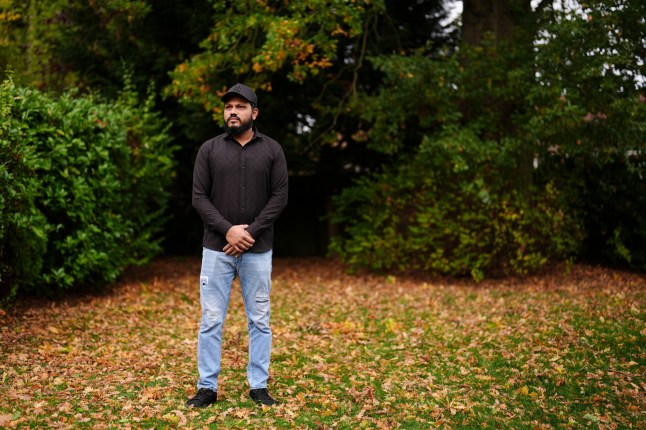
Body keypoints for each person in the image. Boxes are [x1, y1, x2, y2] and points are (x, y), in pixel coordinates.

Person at [186, 83, 288, 408]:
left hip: (258, 251)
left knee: (259, 319)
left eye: (240, 107)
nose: (233, 112)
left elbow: (280, 197)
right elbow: (198, 197)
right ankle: (207, 387)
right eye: (229, 106)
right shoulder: (209, 150)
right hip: (216, 249)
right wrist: (228, 230)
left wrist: (250, 232)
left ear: (254, 113)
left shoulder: (272, 150)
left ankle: (259, 386)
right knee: (211, 319)